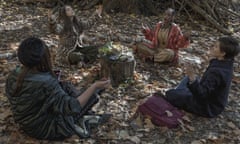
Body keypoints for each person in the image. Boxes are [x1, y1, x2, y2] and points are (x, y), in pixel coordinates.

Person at [5, 37, 111, 140]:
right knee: (91, 94)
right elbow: (72, 107)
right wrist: (94, 87)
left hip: (25, 122)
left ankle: (84, 113)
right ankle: (85, 119)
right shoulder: (46, 83)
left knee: (65, 86)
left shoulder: (14, 74)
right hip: (44, 128)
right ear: (44, 59)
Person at [165, 36, 240, 117]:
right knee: (187, 80)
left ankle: (180, 93)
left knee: (170, 94)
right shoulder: (228, 62)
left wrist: (192, 78)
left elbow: (202, 94)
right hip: (216, 102)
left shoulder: (216, 72)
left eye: (216, 47)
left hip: (207, 107)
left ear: (223, 53)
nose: (213, 47)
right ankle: (182, 92)